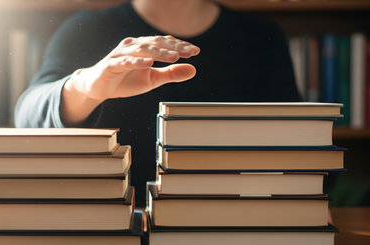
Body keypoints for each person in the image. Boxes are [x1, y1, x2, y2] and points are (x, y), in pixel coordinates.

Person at [15, 0, 301, 206]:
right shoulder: (88, 27)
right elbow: (26, 117)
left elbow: (296, 142)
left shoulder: (261, 37)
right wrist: (86, 87)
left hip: (235, 218)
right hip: (111, 224)